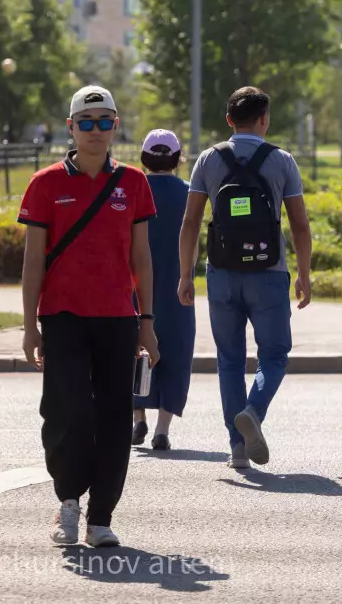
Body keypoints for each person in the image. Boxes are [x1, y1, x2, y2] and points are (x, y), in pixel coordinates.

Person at [19, 85, 159, 548]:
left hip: (118, 317)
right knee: (67, 413)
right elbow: (33, 261)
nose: (96, 131)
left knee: (115, 417)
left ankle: (102, 516)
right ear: (71, 127)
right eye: (87, 122)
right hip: (62, 318)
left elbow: (142, 258)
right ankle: (68, 503)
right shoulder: (45, 184)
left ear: (115, 126)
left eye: (105, 122)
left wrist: (148, 321)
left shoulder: (134, 182)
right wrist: (28, 326)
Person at [178, 87, 313, 470]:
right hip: (269, 273)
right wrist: (303, 274)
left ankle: (237, 448)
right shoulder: (281, 161)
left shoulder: (208, 159)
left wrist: (185, 275)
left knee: (230, 360)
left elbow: (190, 222)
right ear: (264, 119)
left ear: (229, 121)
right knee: (274, 355)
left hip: (221, 274)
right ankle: (254, 410)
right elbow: (300, 226)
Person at [132, 129, 196, 451]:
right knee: (176, 354)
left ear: (144, 158)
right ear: (177, 158)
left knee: (135, 352)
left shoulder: (132, 189)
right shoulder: (188, 193)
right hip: (177, 286)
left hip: (136, 288)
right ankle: (162, 429)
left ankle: (138, 418)